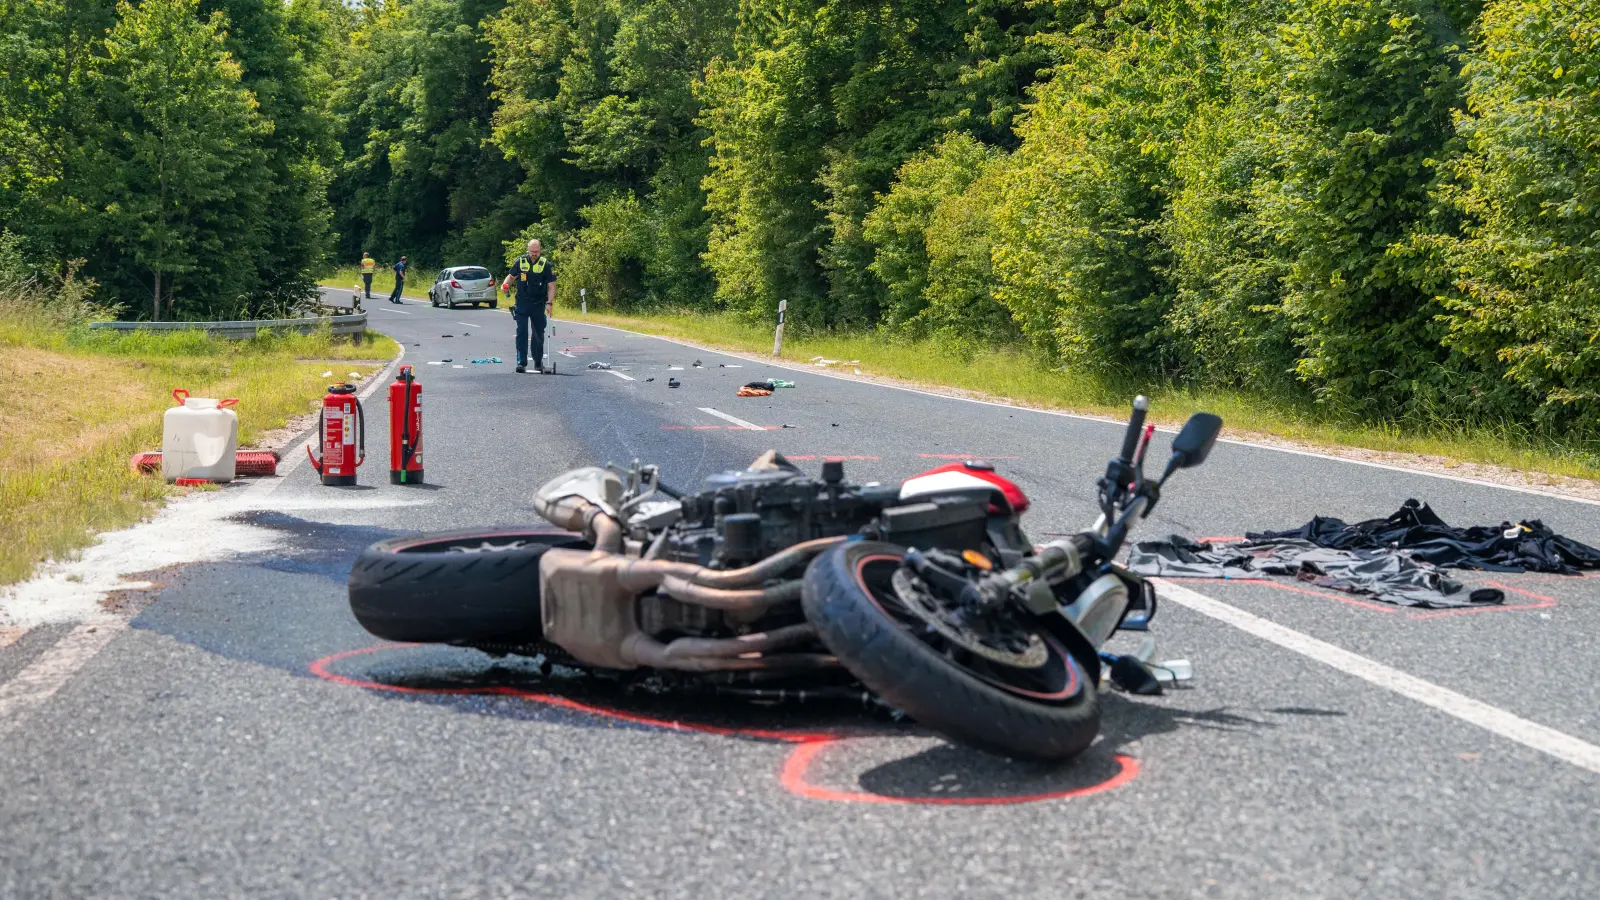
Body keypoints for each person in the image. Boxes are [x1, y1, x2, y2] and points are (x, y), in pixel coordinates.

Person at [500, 239, 556, 374]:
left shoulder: (546, 265)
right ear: (528, 250)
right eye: (532, 251)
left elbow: (551, 286)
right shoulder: (520, 262)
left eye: (536, 251)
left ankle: (538, 362)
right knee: (522, 332)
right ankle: (521, 363)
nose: (534, 254)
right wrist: (505, 285)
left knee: (538, 334)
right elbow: (511, 277)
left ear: (540, 250)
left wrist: (549, 303)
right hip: (522, 302)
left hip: (538, 303)